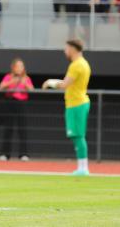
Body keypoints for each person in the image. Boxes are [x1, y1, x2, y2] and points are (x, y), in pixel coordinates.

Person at [43, 39, 92, 176]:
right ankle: (82, 167)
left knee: (78, 135)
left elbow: (65, 84)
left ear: (72, 49)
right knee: (76, 135)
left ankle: (83, 168)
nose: (65, 51)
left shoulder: (77, 65)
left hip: (77, 103)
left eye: (66, 48)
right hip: (75, 103)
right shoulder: (82, 64)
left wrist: (50, 82)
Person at [0, 58, 33, 161]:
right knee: (8, 129)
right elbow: (1, 87)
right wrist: (12, 82)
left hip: (22, 103)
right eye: (18, 66)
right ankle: (5, 154)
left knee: (22, 129)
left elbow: (31, 89)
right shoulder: (8, 77)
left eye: (22, 66)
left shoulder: (26, 78)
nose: (20, 68)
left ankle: (23, 154)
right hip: (10, 102)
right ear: (13, 67)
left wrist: (24, 83)